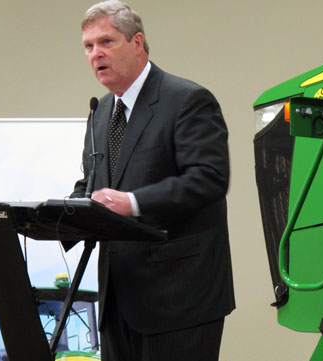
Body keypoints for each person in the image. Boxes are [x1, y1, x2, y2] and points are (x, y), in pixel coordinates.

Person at [70, 1, 235, 360]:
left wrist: (132, 203)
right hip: (118, 300)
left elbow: (209, 179)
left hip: (179, 299)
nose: (95, 53)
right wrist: (62, 214)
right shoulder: (100, 114)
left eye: (106, 42)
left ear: (137, 43)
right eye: (88, 46)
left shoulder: (187, 100)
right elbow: (92, 184)